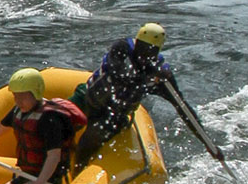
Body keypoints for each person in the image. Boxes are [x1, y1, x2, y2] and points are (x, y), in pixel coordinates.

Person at [70, 22, 177, 170]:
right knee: (56, 118)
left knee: (88, 141)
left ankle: (76, 173)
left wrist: (209, 145)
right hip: (88, 97)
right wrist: (147, 75)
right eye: (142, 47)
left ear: (157, 51)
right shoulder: (122, 48)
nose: (144, 54)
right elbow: (117, 73)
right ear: (136, 42)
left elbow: (181, 105)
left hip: (112, 116)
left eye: (150, 51)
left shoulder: (161, 75)